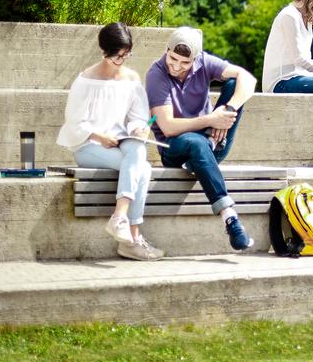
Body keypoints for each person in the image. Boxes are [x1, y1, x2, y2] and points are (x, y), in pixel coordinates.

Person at [57, 22, 163, 261]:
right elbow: (74, 122)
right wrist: (98, 136)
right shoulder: (85, 80)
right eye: (117, 56)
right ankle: (132, 239)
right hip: (88, 147)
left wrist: (138, 129)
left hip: (121, 145)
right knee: (142, 168)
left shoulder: (132, 80)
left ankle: (120, 218)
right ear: (104, 51)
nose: (122, 61)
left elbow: (138, 117)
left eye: (126, 55)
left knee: (138, 150)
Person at [145, 26, 258, 251]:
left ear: (195, 60)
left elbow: (249, 79)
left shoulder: (204, 62)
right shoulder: (156, 73)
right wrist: (210, 120)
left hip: (213, 140)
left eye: (184, 63)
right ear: (166, 50)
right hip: (174, 147)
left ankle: (208, 145)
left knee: (235, 84)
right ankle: (230, 216)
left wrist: (227, 109)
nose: (176, 66)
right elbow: (167, 127)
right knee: (195, 142)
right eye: (172, 58)